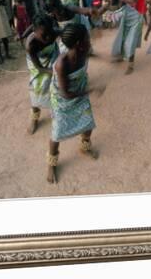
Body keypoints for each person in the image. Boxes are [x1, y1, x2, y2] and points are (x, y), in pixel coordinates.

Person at [47, 23, 98, 184]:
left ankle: (84, 147)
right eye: (87, 38)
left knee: (88, 123)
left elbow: (94, 55)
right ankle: (51, 163)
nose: (90, 40)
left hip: (79, 91)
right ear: (78, 44)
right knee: (58, 132)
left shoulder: (84, 52)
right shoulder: (62, 63)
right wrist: (89, 91)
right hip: (63, 99)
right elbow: (65, 94)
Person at [25, 13, 60, 134]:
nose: (48, 38)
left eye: (50, 33)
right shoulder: (31, 45)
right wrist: (55, 71)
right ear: (34, 31)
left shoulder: (54, 32)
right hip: (38, 66)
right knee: (37, 88)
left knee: (57, 86)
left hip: (52, 55)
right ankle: (35, 116)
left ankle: (57, 111)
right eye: (44, 35)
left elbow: (67, 36)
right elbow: (39, 69)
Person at [108, 0, 143, 75]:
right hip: (127, 23)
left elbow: (132, 2)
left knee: (130, 43)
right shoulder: (108, 1)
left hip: (135, 21)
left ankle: (130, 65)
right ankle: (121, 56)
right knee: (121, 40)